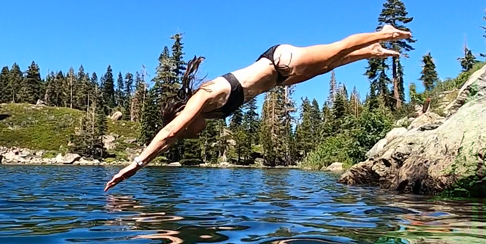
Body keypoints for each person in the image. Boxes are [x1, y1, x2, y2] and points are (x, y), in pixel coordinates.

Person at [103, 27, 411, 192]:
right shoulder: (209, 112)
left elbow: (170, 132)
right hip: (280, 75)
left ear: (184, 118)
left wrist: (136, 163)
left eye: (186, 129)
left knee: (336, 49)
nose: (190, 134)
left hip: (280, 60)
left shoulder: (204, 96)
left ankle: (383, 32)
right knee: (328, 65)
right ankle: (370, 51)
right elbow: (170, 137)